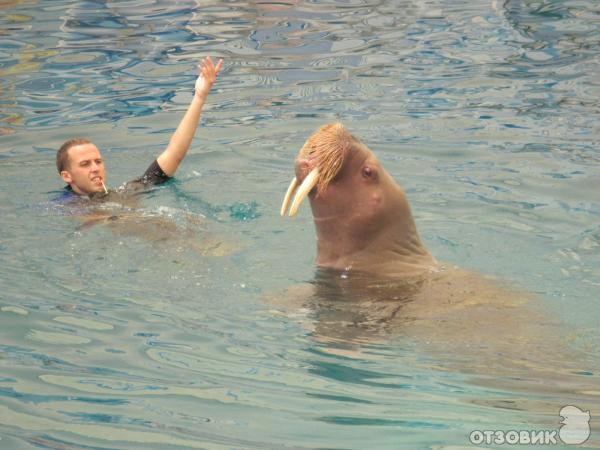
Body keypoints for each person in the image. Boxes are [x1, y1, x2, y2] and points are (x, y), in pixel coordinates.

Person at [56, 56, 223, 198]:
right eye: (85, 164)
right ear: (66, 176)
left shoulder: (123, 194)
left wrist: (200, 97)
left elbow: (174, 154)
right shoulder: (65, 211)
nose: (95, 168)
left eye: (98, 162)